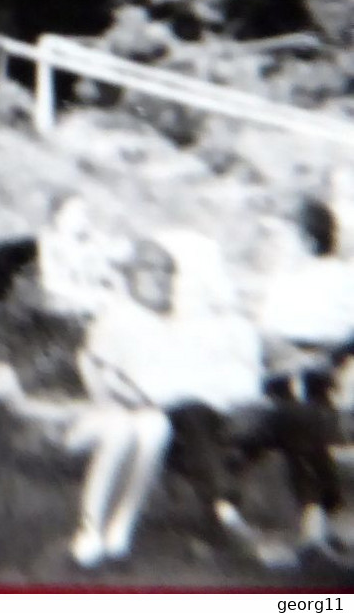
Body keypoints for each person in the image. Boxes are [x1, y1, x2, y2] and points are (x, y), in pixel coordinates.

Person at [0, 236, 173, 569]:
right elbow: (15, 405)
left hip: (74, 419)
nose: (42, 281)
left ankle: (118, 537)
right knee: (118, 428)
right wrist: (74, 410)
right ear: (12, 282)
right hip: (27, 430)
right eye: (34, 275)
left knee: (154, 425)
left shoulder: (50, 324)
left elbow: (91, 349)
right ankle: (87, 539)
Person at [83, 238, 268, 562]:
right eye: (151, 270)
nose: (161, 279)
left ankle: (317, 526)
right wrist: (133, 398)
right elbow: (101, 374)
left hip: (205, 404)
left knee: (296, 419)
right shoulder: (114, 320)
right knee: (193, 414)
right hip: (157, 410)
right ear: (130, 277)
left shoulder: (175, 321)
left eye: (168, 272)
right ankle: (225, 513)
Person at [250, 197, 354, 559]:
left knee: (302, 408)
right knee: (297, 409)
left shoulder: (341, 276)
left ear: (309, 240)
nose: (277, 245)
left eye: (284, 237)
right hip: (281, 367)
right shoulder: (283, 280)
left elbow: (349, 332)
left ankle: (318, 521)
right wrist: (285, 359)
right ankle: (324, 517)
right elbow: (265, 331)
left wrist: (323, 359)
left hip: (322, 367)